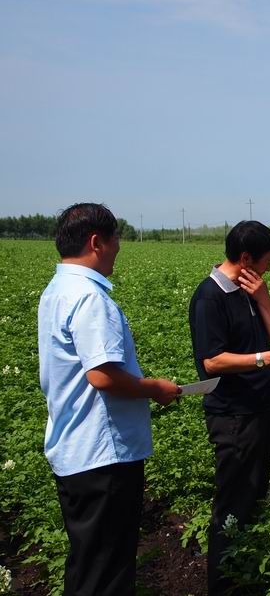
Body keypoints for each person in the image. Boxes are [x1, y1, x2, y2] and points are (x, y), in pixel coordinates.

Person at [38, 203, 181, 595]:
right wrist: (156, 388)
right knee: (108, 573)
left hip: (75, 448)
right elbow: (102, 375)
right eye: (116, 238)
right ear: (96, 242)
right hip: (103, 455)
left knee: (89, 565)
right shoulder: (89, 297)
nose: (119, 246)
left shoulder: (57, 290)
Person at [188, 220, 270, 594]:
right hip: (233, 416)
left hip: (258, 408)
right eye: (267, 260)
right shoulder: (209, 297)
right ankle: (224, 586)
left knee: (252, 495)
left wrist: (264, 299)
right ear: (245, 257)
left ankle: (248, 577)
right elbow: (212, 361)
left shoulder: (249, 290)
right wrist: (265, 358)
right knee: (233, 502)